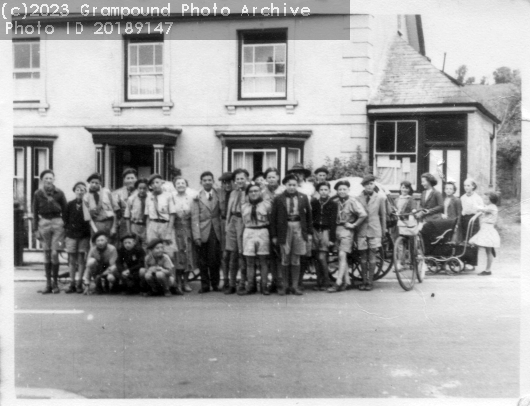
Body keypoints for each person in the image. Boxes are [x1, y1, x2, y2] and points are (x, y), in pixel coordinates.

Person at [270, 174, 313, 296]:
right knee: (285, 257)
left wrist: (309, 233)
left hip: (298, 227)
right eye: (289, 185)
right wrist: (274, 235)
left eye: (294, 185)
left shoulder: (303, 197)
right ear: (285, 185)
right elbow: (273, 218)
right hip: (285, 228)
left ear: (297, 185)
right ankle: (285, 286)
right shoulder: (279, 198)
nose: (292, 187)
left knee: (296, 258)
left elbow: (309, 216)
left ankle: (294, 286)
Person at [327, 180, 367, 292]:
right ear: (337, 191)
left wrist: (354, 225)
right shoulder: (335, 201)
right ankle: (347, 281)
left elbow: (363, 214)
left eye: (344, 189)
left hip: (346, 230)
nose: (342, 191)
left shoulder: (352, 201)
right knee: (341, 257)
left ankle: (338, 282)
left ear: (348, 190)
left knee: (342, 255)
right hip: (336, 230)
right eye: (340, 189)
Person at [33, 169, 67, 294]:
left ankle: (55, 283)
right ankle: (48, 284)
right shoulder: (38, 193)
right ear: (42, 180)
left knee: (54, 253)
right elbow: (35, 211)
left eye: (50, 178)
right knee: (46, 253)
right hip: (44, 223)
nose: (48, 180)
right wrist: (35, 229)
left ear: (54, 179)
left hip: (58, 223)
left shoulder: (59, 193)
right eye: (46, 178)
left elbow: (65, 210)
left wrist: (65, 227)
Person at [191, 171, 223, 293]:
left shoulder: (218, 194)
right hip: (202, 229)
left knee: (215, 259)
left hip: (215, 229)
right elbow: (194, 218)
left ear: (213, 181)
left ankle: (215, 284)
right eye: (205, 180)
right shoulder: (197, 196)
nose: (207, 182)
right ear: (201, 182)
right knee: (202, 260)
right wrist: (196, 236)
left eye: (210, 180)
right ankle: (205, 285)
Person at [286, 163, 315, 289]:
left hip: (305, 221)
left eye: (300, 173)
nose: (297, 175)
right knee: (291, 252)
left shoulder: (309, 187)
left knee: (304, 253)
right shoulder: (289, 186)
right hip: (292, 223)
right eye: (295, 173)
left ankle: (299, 280)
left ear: (304, 174)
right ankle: (291, 281)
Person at [356, 175, 386, 291]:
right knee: (363, 257)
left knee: (372, 256)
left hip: (374, 230)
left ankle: (370, 282)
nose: (370, 186)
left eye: (372, 183)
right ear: (363, 185)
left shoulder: (380, 198)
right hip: (362, 230)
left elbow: (383, 215)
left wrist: (383, 231)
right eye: (367, 184)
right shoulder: (358, 198)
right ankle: (363, 280)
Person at [241, 182, 272, 295]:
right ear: (247, 194)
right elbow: (242, 222)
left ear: (260, 192)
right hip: (249, 232)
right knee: (249, 261)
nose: (253, 193)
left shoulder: (267, 205)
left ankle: (264, 286)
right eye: (251, 191)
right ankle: (251, 286)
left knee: (263, 261)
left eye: (256, 191)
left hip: (262, 231)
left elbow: (271, 220)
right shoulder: (244, 206)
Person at [225, 169, 250, 295]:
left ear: (246, 179)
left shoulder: (251, 191)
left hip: (244, 223)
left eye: (242, 178)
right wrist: (227, 225)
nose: (240, 181)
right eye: (237, 179)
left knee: (242, 255)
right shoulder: (233, 193)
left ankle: (242, 283)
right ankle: (231, 284)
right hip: (233, 221)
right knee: (232, 254)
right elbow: (229, 210)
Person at [64, 181, 91, 294]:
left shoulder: (88, 204)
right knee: (71, 259)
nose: (80, 192)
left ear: (85, 192)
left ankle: (79, 282)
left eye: (82, 190)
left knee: (81, 259)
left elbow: (89, 219)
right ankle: (72, 283)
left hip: (83, 235)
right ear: (74, 191)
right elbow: (65, 219)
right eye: (77, 190)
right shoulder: (70, 204)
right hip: (71, 235)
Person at [311, 181, 338, 291]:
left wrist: (332, 239)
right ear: (318, 191)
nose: (323, 192)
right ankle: (319, 281)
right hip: (315, 231)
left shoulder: (333, 204)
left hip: (326, 231)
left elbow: (333, 222)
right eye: (321, 190)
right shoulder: (314, 203)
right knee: (316, 258)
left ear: (329, 191)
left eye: (325, 190)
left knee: (322, 257)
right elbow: (311, 218)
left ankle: (326, 280)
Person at [172, 176, 197, 294]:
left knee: (188, 255)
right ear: (175, 185)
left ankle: (186, 282)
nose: (180, 185)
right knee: (178, 255)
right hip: (176, 230)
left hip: (187, 229)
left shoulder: (192, 198)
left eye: (183, 183)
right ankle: (178, 282)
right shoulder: (171, 197)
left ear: (186, 185)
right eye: (178, 183)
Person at [261, 167, 284, 292]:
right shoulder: (262, 192)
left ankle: (280, 281)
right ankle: (272, 281)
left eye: (273, 177)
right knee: (269, 255)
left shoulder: (283, 191)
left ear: (278, 178)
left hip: (280, 226)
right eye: (268, 177)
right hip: (266, 226)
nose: (271, 179)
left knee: (280, 254)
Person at [145, 174, 177, 260]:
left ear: (162, 183)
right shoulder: (148, 197)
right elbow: (148, 216)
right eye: (152, 183)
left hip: (165, 225)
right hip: (153, 225)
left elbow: (172, 214)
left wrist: (169, 232)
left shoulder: (168, 196)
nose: (155, 184)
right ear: (150, 186)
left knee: (168, 251)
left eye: (157, 182)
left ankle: (169, 272)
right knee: (152, 251)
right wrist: (148, 231)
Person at [469, 192, 501, 276]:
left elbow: (483, 210)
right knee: (486, 250)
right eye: (484, 199)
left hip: (488, 230)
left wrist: (475, 206)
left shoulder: (493, 207)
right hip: (485, 229)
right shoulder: (489, 207)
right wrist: (475, 216)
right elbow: (482, 211)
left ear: (492, 200)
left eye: (486, 199)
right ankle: (487, 269)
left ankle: (488, 270)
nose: (484, 200)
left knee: (488, 251)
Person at [82, 172, 119, 242]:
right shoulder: (86, 197)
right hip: (96, 223)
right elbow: (87, 217)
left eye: (96, 183)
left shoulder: (106, 192)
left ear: (100, 183)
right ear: (89, 183)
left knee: (110, 243)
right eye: (92, 182)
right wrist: (94, 229)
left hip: (109, 222)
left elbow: (115, 209)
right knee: (97, 243)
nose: (94, 185)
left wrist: (114, 227)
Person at [113, 168, 138, 245]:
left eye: (132, 178)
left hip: (137, 222)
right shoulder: (117, 193)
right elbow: (115, 211)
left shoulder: (141, 192)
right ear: (124, 180)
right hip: (123, 221)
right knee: (124, 242)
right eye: (128, 178)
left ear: (136, 179)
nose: (130, 180)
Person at [218, 171, 233, 292]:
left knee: (233, 254)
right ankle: (226, 280)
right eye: (224, 182)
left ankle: (233, 281)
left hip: (234, 222)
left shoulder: (237, 193)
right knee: (224, 254)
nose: (227, 184)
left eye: (229, 182)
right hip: (222, 224)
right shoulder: (219, 193)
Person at [124, 178, 149, 249]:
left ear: (147, 188)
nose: (142, 190)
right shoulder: (131, 199)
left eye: (144, 188)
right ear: (137, 188)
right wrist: (129, 230)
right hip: (135, 225)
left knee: (146, 246)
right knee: (135, 246)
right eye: (140, 188)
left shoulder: (150, 198)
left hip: (147, 226)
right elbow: (127, 215)